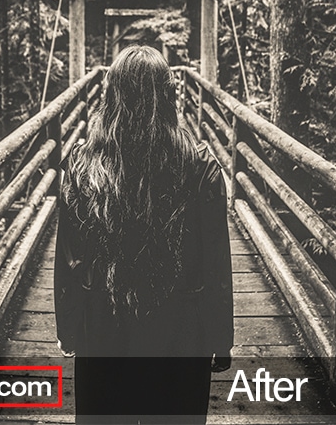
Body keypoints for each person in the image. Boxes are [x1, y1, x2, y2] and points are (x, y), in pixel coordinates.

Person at [54, 45, 233, 424]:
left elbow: (69, 256)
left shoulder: (82, 164)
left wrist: (68, 326)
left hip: (103, 324)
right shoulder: (201, 166)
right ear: (168, 95)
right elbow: (215, 262)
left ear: (111, 95)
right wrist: (221, 337)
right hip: (181, 331)